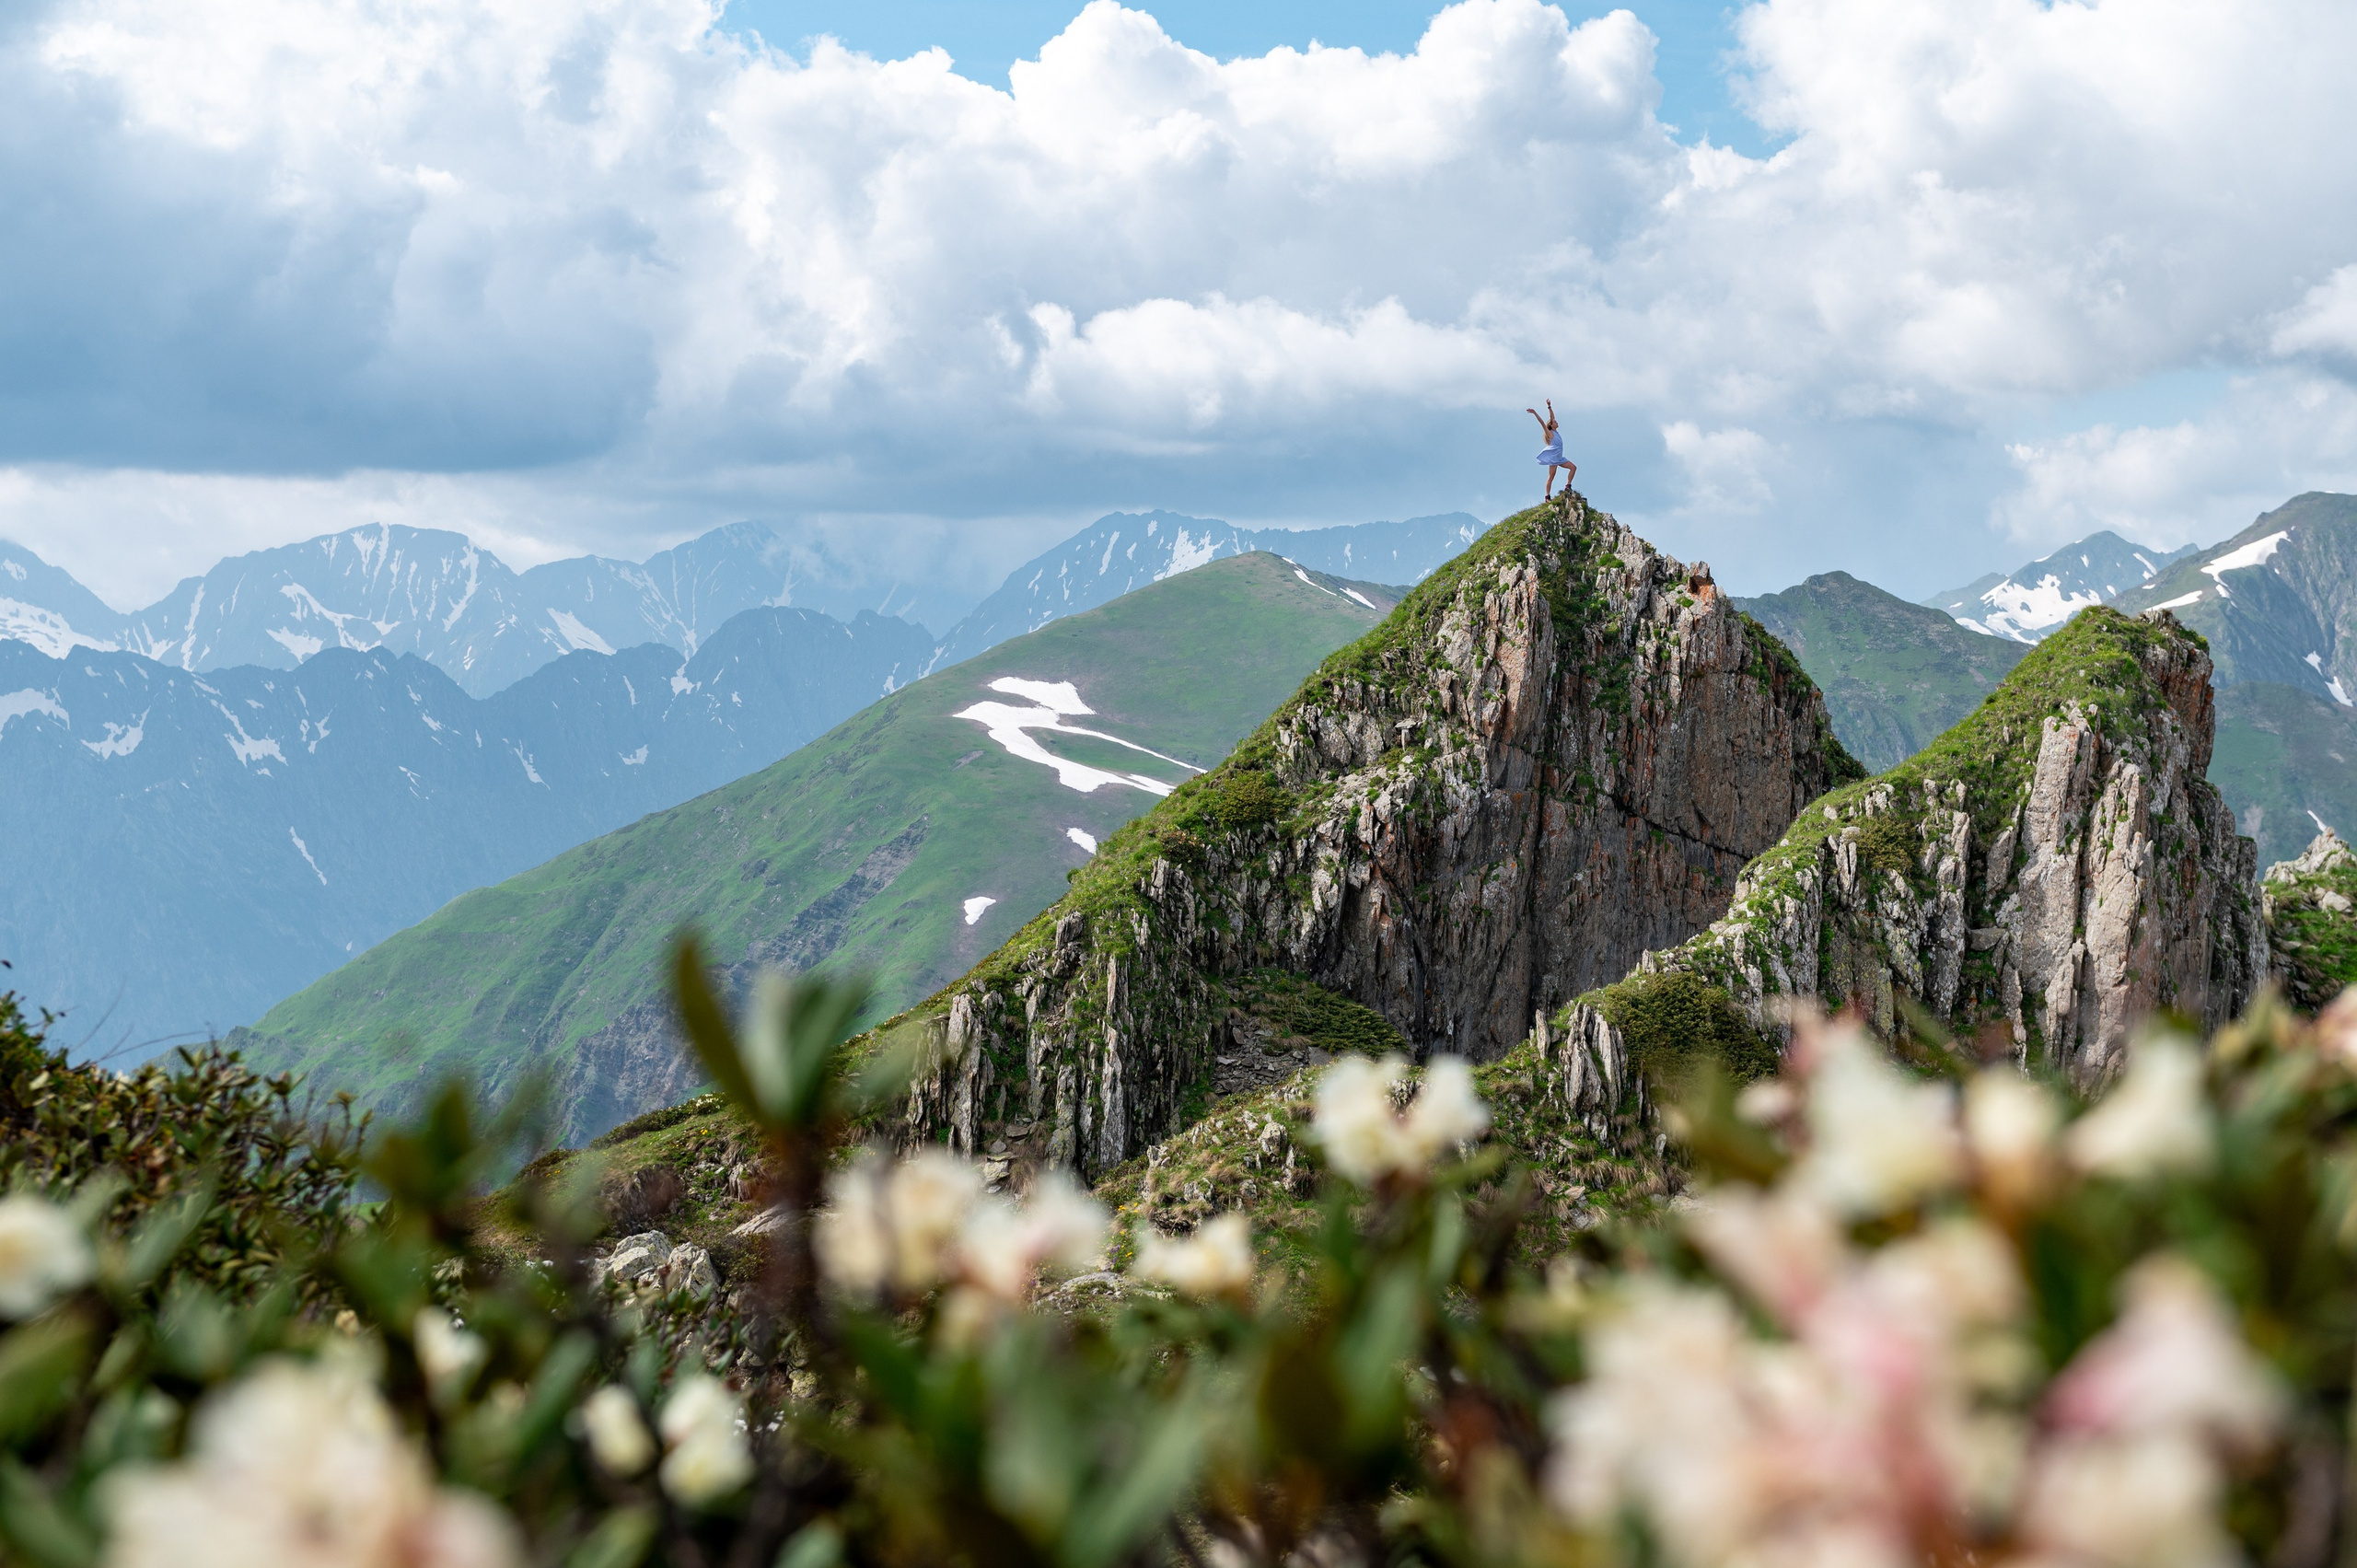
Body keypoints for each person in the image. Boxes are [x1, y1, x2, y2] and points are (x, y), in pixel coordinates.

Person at [1529, 401, 1574, 499]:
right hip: (1554, 458)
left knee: (1573, 468)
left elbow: (1552, 417)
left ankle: (1568, 486)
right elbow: (1542, 423)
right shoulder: (1550, 433)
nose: (1556, 422)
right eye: (1555, 422)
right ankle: (1547, 496)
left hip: (1560, 458)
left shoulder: (1555, 431)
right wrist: (1535, 413)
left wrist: (1549, 406)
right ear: (1552, 425)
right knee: (1551, 478)